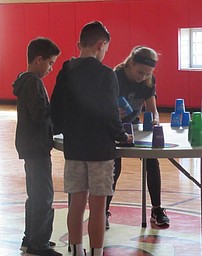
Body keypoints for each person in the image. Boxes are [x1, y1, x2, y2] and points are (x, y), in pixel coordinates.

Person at [50, 21, 132, 256]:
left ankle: (75, 251)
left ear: (79, 44)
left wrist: (65, 129)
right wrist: (121, 135)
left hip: (74, 148)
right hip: (100, 150)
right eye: (106, 48)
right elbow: (109, 113)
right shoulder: (106, 74)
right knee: (97, 207)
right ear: (101, 44)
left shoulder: (65, 70)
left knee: (75, 204)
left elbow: (56, 108)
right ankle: (96, 252)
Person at [105, 46, 170, 229]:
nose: (142, 77)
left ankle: (157, 209)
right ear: (130, 63)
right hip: (113, 127)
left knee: (152, 160)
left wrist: (155, 121)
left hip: (134, 126)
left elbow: (152, 109)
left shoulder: (148, 80)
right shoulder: (114, 77)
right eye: (140, 72)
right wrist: (111, 111)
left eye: (147, 74)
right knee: (114, 167)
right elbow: (101, 108)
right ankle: (104, 211)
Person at [12, 38, 61, 256]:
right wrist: (58, 111)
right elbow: (40, 114)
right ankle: (38, 244)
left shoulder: (25, 81)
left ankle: (31, 238)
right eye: (50, 63)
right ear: (38, 59)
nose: (51, 68)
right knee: (43, 196)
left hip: (29, 146)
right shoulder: (33, 82)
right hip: (37, 147)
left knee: (35, 195)